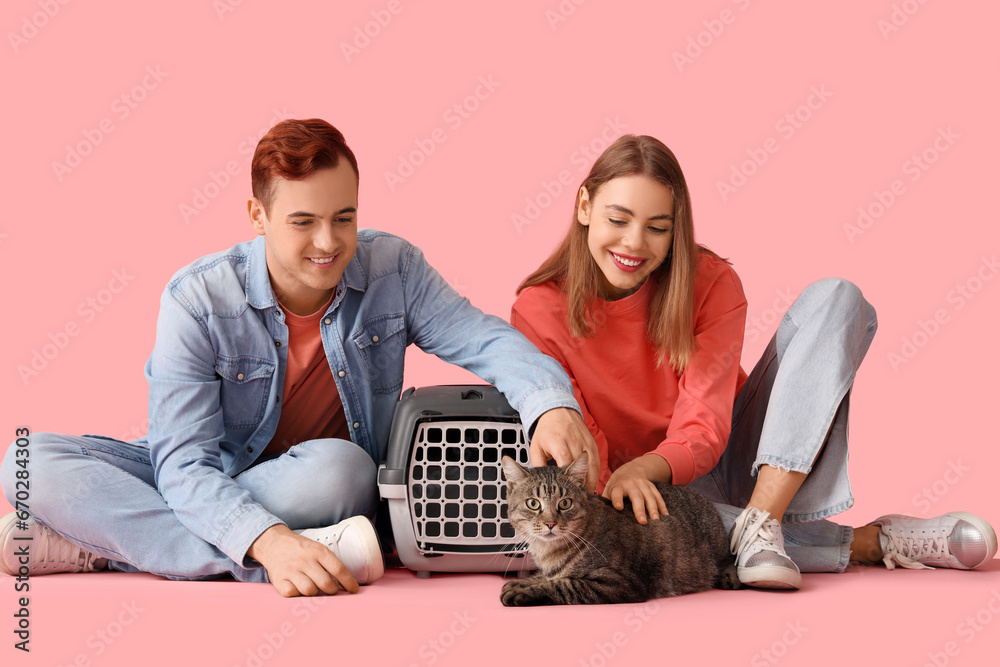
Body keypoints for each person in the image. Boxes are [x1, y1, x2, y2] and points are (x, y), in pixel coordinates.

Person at [0, 118, 597, 597]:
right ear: (258, 217)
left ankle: (102, 543)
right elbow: (182, 467)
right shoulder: (198, 298)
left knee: (342, 470)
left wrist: (548, 405)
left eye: (345, 218)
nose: (329, 242)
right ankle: (293, 553)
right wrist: (272, 545)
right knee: (26, 462)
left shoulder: (394, 269)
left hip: (315, 484)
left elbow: (484, 337)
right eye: (302, 221)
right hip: (210, 475)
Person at [510, 134, 997, 589]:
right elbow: (576, 444)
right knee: (681, 539)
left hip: (749, 462)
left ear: (675, 230)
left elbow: (704, 426)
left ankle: (762, 525)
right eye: (618, 220)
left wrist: (648, 466)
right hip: (636, 502)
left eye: (657, 228)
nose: (635, 244)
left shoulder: (711, 281)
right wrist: (626, 479)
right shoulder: (537, 308)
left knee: (838, 298)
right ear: (584, 206)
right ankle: (870, 541)